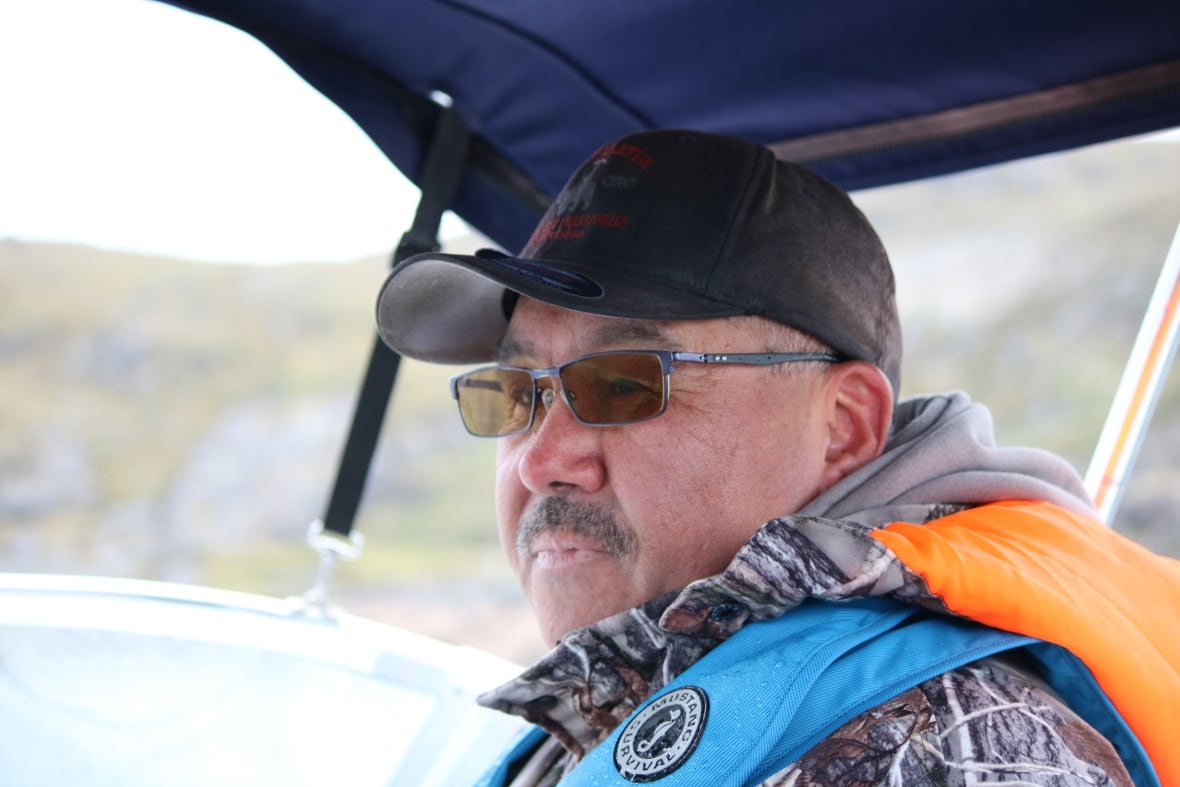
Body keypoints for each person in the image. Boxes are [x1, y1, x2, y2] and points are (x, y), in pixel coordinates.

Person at [375, 130, 1179, 785]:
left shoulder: (940, 745)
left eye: (623, 383)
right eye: (517, 392)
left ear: (843, 425)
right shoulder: (616, 688)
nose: (540, 460)